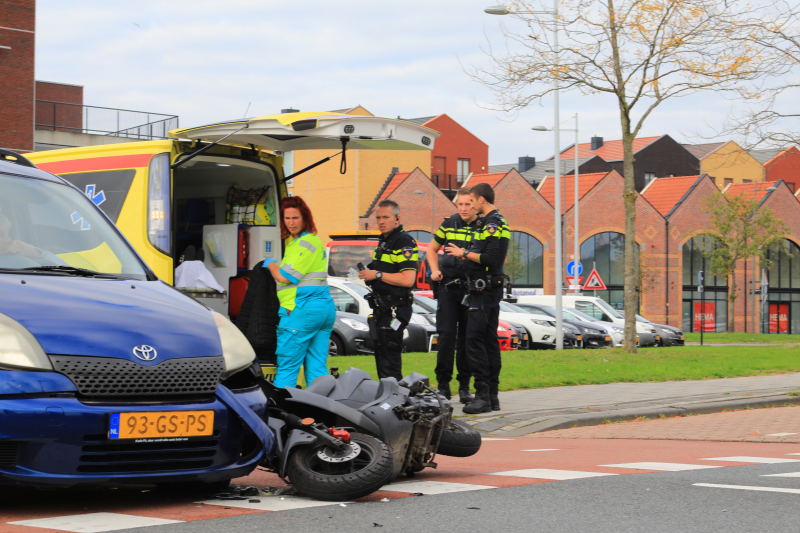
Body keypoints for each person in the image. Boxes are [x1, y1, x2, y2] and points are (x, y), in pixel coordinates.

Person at [443, 183, 510, 413]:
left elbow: (491, 259)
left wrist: (463, 253)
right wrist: (468, 257)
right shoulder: (495, 221)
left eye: (471, 201)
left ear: (481, 200)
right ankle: (491, 396)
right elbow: (487, 256)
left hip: (484, 290)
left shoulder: (492, 223)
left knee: (474, 339)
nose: (469, 205)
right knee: (489, 341)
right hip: (488, 288)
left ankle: (483, 395)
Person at [262, 196, 335, 389]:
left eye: (295, 218)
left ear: (305, 218)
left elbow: (283, 277)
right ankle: (320, 406)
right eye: (287, 218)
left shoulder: (303, 244)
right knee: (317, 368)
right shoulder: (313, 240)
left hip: (301, 310)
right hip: (323, 309)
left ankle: (281, 407)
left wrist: (270, 264)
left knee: (287, 368)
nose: (291, 223)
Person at [427, 187, 481, 403]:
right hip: (448, 288)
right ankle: (443, 385)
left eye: (468, 204)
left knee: (467, 338)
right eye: (460, 204)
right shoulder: (449, 223)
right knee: (446, 336)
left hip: (471, 289)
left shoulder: (482, 225)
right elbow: (431, 249)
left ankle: (465, 386)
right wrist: (434, 270)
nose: (464, 208)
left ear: (475, 204)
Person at [359, 200, 418, 381]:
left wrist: (377, 275)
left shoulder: (404, 242)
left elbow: (408, 279)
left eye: (386, 217)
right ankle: (388, 393)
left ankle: (395, 395)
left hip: (395, 310)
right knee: (382, 357)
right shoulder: (385, 241)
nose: (381, 221)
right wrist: (371, 276)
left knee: (390, 360)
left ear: (397, 219)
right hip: (382, 309)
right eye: (378, 218)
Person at [0, 214, 65, 265]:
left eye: (8, 233)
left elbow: (66, 269)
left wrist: (32, 252)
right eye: (1, 235)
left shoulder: (19, 262)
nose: (9, 240)